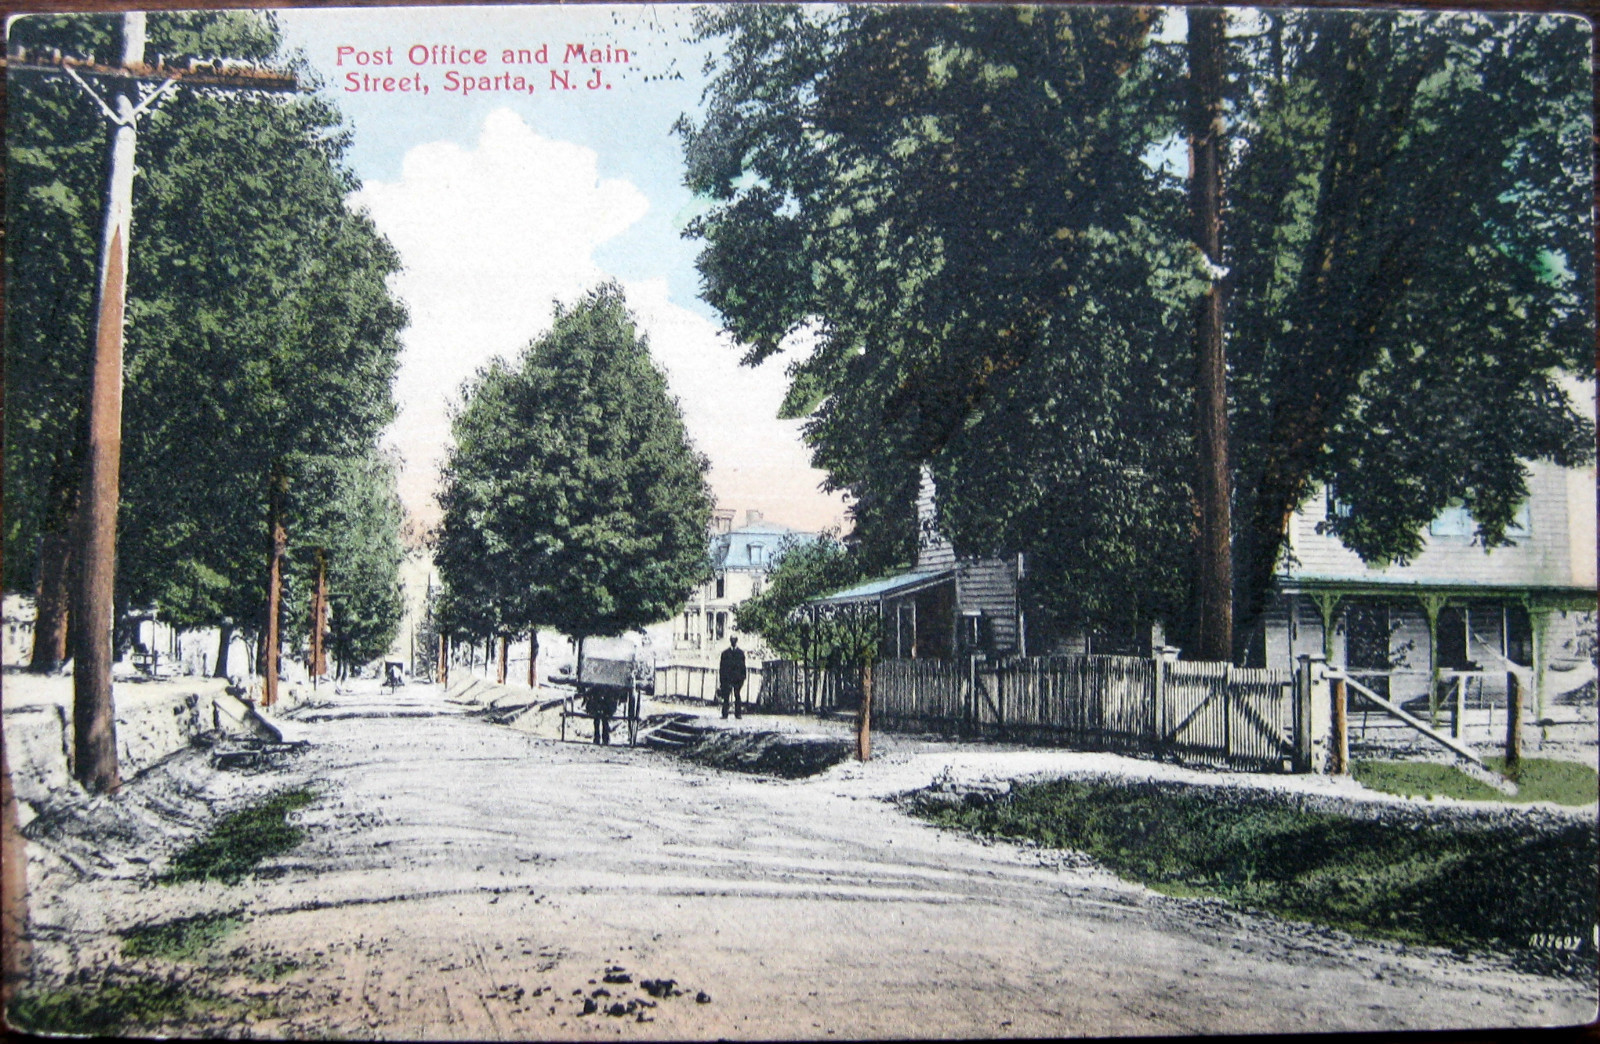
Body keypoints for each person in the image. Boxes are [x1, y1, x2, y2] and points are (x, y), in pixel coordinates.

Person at [719, 637, 747, 719]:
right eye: (732, 640)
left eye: (734, 640)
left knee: (737, 696)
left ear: (737, 641)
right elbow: (722, 668)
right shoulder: (725, 653)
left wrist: (742, 678)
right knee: (726, 697)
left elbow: (743, 667)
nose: (733, 642)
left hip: (737, 679)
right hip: (727, 679)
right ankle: (725, 714)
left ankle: (738, 714)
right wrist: (722, 680)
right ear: (730, 641)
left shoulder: (740, 653)